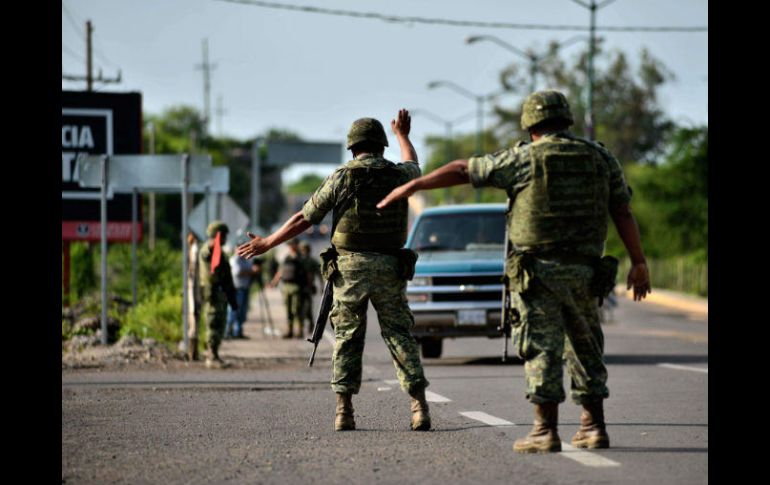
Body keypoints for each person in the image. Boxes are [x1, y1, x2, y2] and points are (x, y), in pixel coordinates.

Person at [377, 92, 652, 452]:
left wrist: (415, 184)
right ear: (567, 121)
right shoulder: (600, 158)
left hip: (538, 272)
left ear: (530, 126)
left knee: (541, 348)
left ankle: (544, 430)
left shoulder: (524, 159)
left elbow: (464, 170)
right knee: (585, 346)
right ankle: (593, 425)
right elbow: (623, 211)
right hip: (586, 272)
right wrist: (639, 261)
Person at [237, 109, 432, 432]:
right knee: (400, 336)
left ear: (352, 148)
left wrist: (268, 242)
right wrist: (403, 135)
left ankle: (344, 411)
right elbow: (414, 165)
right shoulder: (399, 175)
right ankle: (419, 407)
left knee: (347, 338)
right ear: (382, 146)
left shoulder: (342, 177)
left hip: (350, 269)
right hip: (389, 267)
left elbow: (304, 218)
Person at [199, 221, 239, 368]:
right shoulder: (209, 250)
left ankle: (215, 354)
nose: (226, 238)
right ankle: (211, 356)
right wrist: (213, 243)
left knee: (220, 324)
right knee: (213, 323)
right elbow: (206, 254)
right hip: (213, 294)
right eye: (224, 235)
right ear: (218, 235)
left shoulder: (220, 252)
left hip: (221, 293)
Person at [269, 239, 308, 339]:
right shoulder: (286, 258)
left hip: (297, 287)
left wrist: (309, 286)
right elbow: (280, 271)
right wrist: (274, 282)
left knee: (297, 310)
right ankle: (290, 330)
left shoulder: (301, 258)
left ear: (297, 245)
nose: (290, 246)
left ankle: (299, 331)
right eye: (289, 245)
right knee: (288, 310)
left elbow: (308, 274)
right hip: (286, 287)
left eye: (292, 244)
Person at [226, 236, 257, 339]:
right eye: (240, 247)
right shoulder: (234, 260)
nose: (242, 249)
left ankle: (238, 332)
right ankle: (228, 332)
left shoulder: (247, 259)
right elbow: (238, 272)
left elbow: (250, 270)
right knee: (233, 311)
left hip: (245, 288)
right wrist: (252, 271)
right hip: (236, 289)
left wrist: (252, 271)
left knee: (242, 313)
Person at [299, 240, 323, 335]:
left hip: (308, 287)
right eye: (303, 249)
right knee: (299, 308)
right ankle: (301, 326)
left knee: (308, 308)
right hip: (299, 287)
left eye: (306, 249)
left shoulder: (312, 261)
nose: (304, 251)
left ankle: (311, 325)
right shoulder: (299, 260)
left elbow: (319, 274)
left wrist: (322, 287)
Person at [186, 232, 202, 361]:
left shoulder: (195, 250)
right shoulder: (191, 250)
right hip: (191, 290)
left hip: (195, 291)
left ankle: (194, 353)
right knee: (192, 323)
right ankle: (192, 353)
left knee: (194, 322)